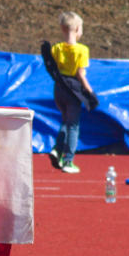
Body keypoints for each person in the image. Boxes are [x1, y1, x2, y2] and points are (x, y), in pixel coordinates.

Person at [47, 11, 97, 174]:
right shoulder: (82, 50)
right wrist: (90, 93)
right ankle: (68, 160)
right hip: (73, 90)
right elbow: (80, 75)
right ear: (77, 29)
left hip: (59, 88)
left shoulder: (57, 48)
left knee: (65, 120)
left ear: (62, 28)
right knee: (73, 126)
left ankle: (57, 149)